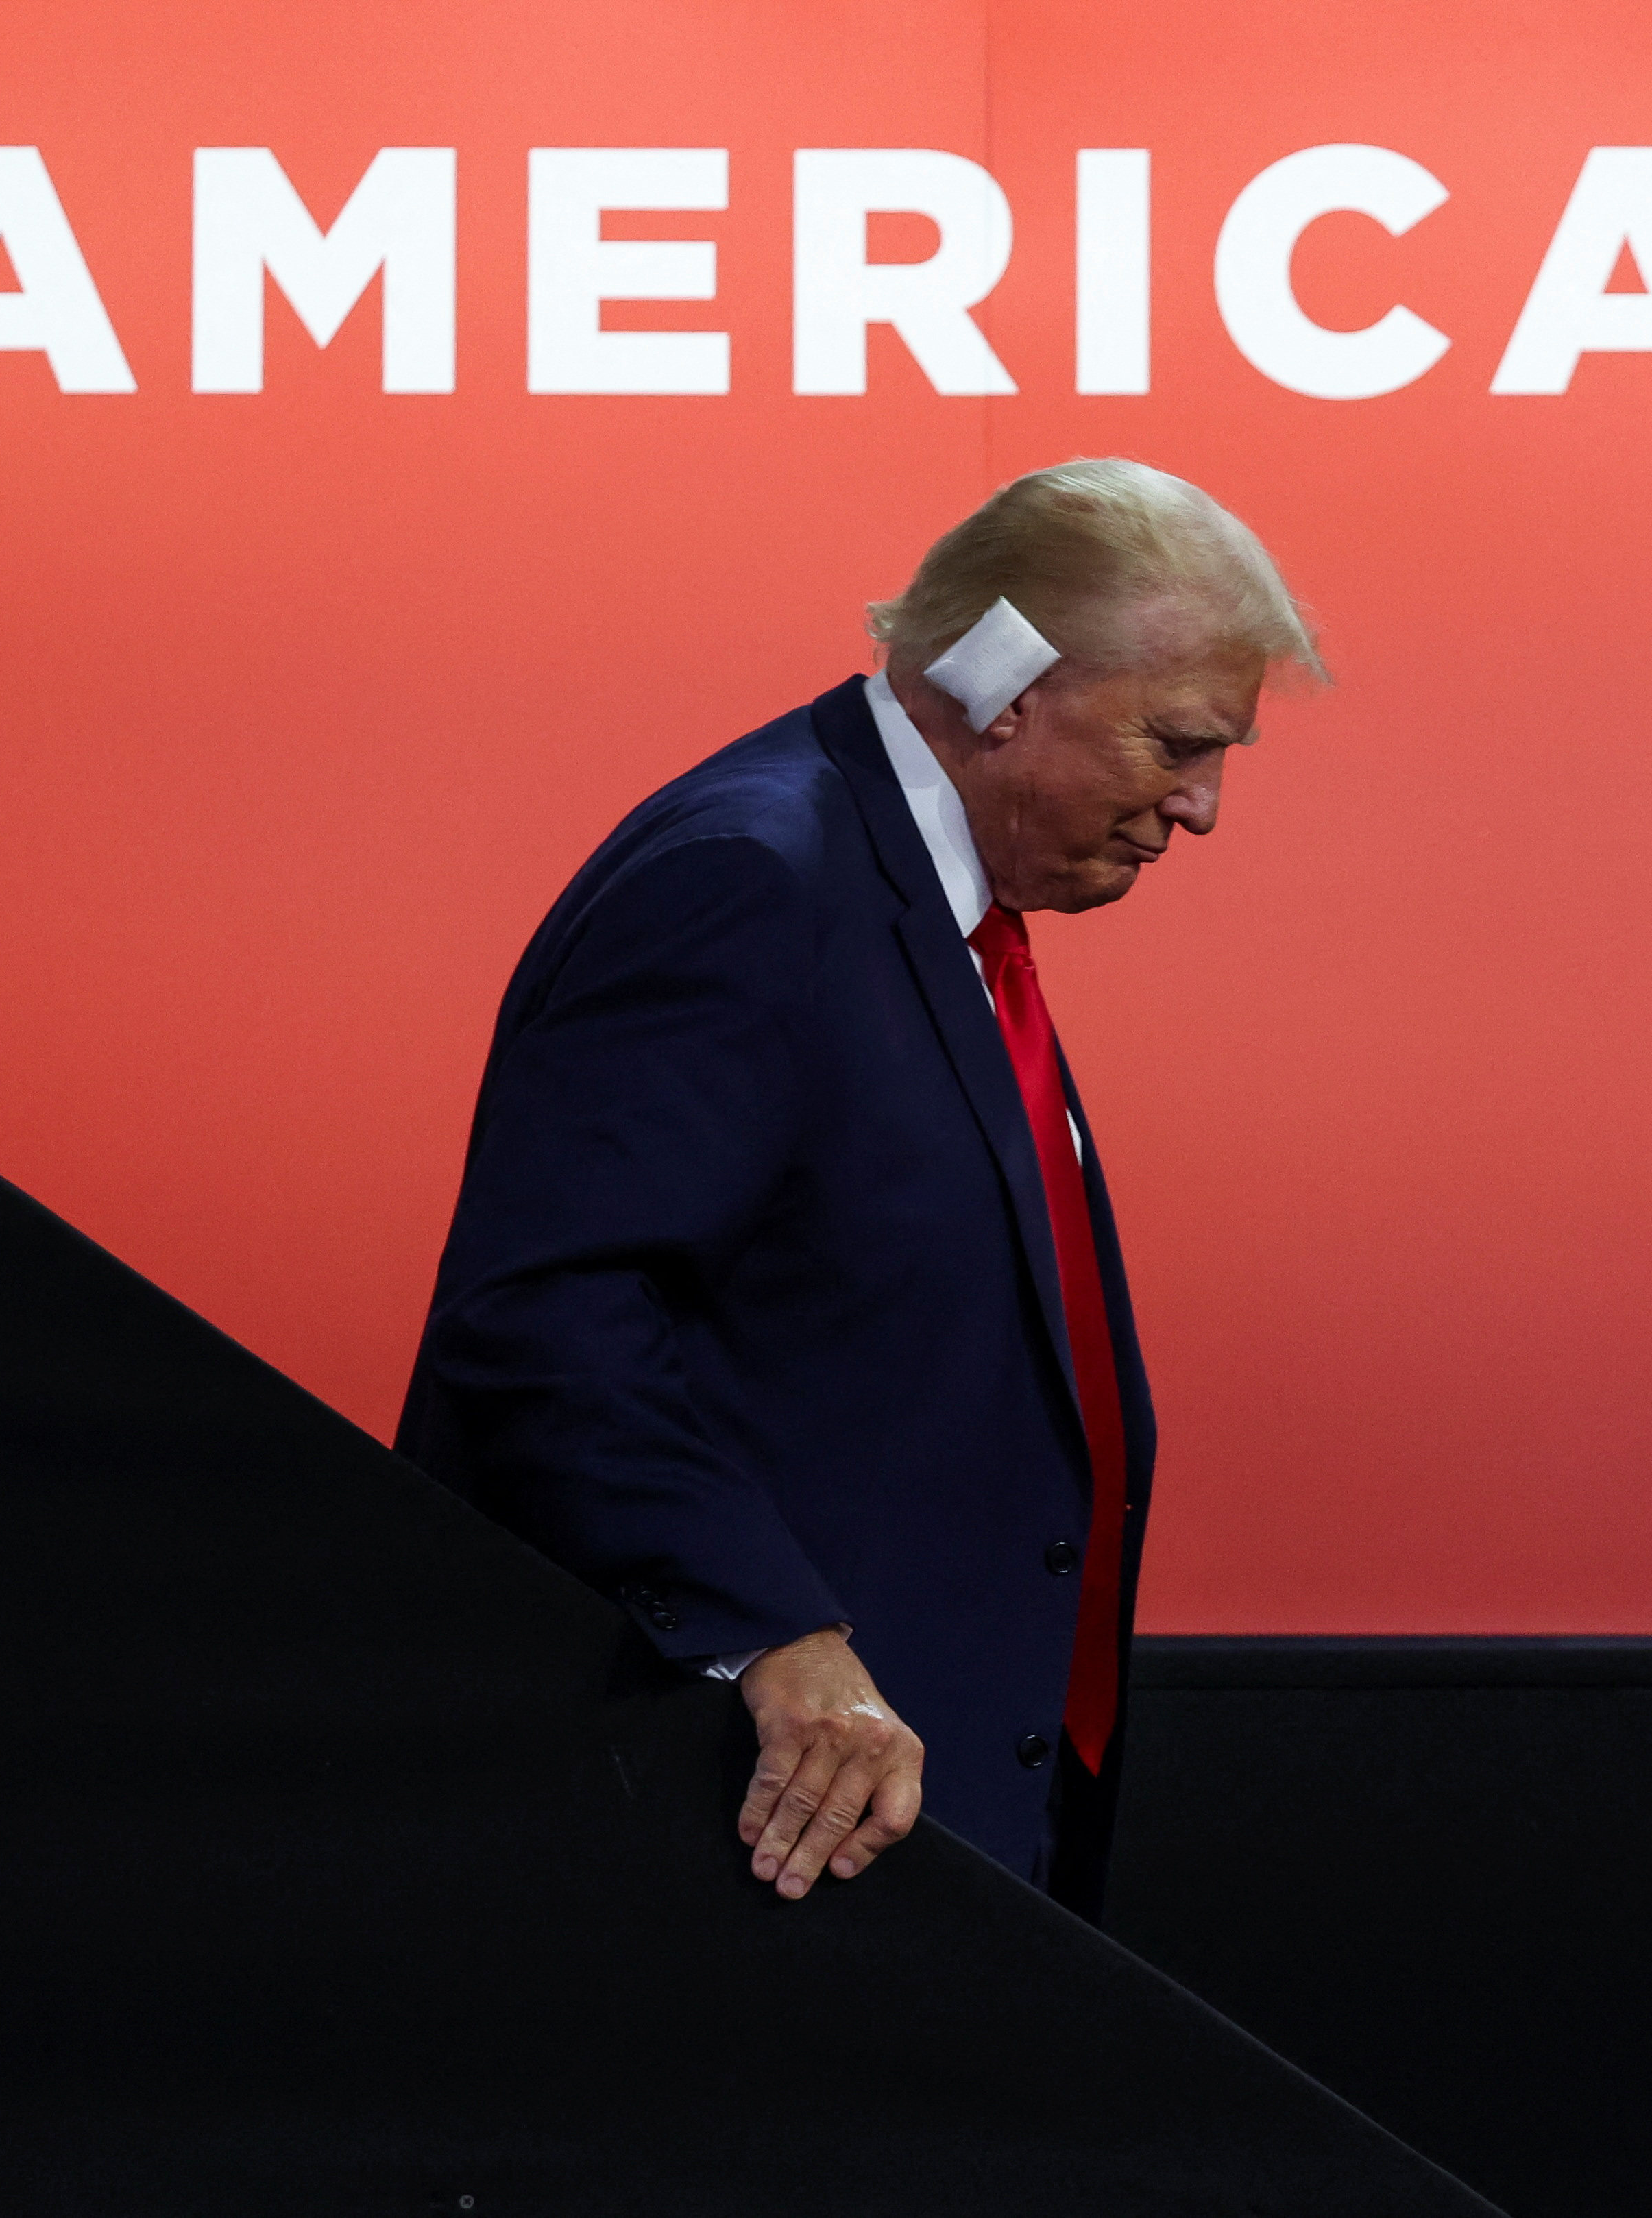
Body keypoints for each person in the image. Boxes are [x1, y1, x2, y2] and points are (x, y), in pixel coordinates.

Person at [397, 459, 1323, 1922]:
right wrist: (773, 1636)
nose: (1198, 808)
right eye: (1176, 743)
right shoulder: (752, 879)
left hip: (908, 1793)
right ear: (1006, 684)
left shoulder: (925, 905)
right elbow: (546, 1316)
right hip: (755, 1811)